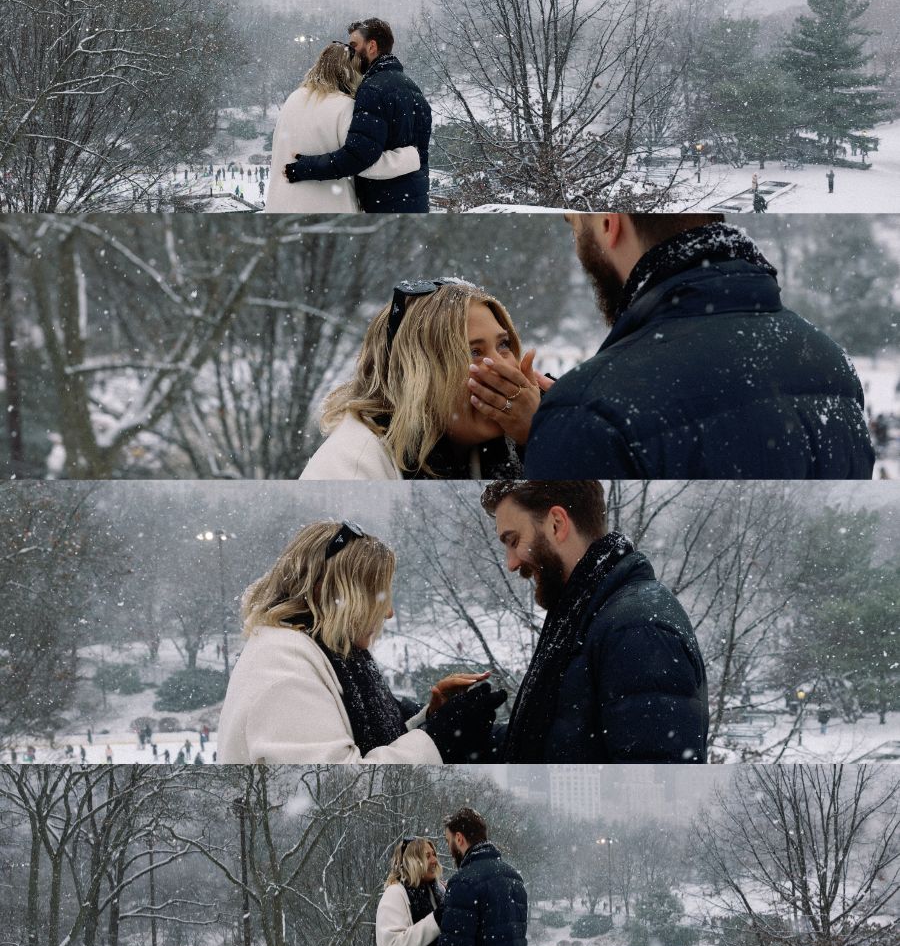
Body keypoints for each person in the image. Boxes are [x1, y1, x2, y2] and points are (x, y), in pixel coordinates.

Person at [496, 213, 874, 478]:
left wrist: (563, 430)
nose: (578, 246)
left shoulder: (589, 414)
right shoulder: (832, 364)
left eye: (576, 226)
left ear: (609, 225)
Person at [218, 521, 505, 763]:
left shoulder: (326, 652)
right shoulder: (283, 668)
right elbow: (340, 781)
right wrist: (437, 738)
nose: (388, 611)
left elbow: (358, 748)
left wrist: (432, 719)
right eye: (376, 595)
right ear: (328, 593)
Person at [481, 481, 709, 763]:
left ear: (556, 523)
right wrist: (457, 732)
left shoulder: (636, 629)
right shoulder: (583, 612)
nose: (511, 563)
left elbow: (648, 776)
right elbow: (557, 742)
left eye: (514, 540)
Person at [300, 279, 551, 480]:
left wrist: (545, 434)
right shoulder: (354, 469)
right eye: (474, 352)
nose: (503, 366)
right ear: (416, 375)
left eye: (504, 345)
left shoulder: (517, 437)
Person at [284, 19, 431, 213]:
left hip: (385, 203)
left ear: (371, 46)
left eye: (354, 46)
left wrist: (306, 167)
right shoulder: (412, 87)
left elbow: (359, 156)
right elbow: (420, 151)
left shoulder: (372, 88)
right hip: (414, 199)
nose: (350, 53)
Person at [438, 808, 529, 946]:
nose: (449, 848)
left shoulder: (463, 882)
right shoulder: (513, 877)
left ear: (459, 838)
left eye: (449, 840)